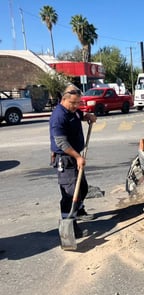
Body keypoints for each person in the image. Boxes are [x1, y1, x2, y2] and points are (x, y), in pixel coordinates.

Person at [49, 85, 97, 238]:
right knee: (70, 194)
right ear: (64, 99)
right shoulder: (58, 116)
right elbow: (61, 143)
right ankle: (69, 224)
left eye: (78, 103)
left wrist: (87, 116)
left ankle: (79, 210)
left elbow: (78, 115)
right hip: (66, 159)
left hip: (74, 156)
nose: (76, 106)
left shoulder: (72, 111)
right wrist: (78, 157)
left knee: (82, 188)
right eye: (73, 103)